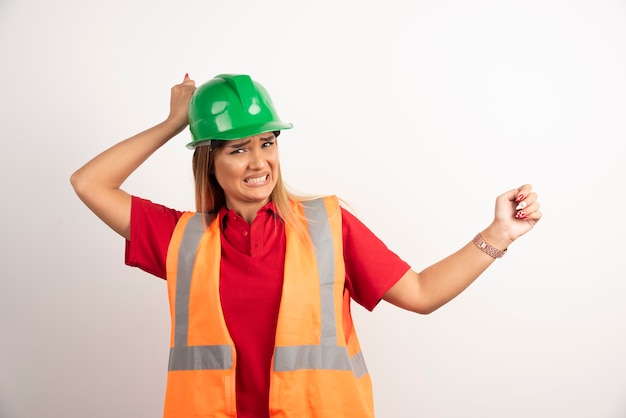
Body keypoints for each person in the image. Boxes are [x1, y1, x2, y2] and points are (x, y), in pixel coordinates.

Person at [70, 73, 542, 418]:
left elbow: (420, 293)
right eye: (237, 148)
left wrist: (498, 233)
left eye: (267, 142)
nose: (259, 162)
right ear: (209, 159)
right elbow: (89, 183)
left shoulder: (327, 224)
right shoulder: (180, 237)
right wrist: (176, 123)